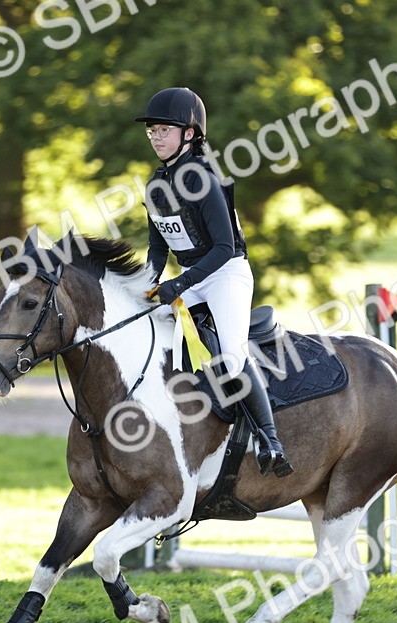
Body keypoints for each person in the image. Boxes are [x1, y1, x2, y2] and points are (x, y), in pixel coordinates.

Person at [137, 87, 293, 478]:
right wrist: (149, 278)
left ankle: (270, 440)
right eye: (152, 131)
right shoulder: (157, 184)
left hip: (225, 274)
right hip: (190, 277)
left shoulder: (205, 179)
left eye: (164, 130)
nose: (156, 137)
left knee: (231, 356)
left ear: (190, 134)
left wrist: (179, 284)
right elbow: (158, 246)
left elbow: (224, 248)